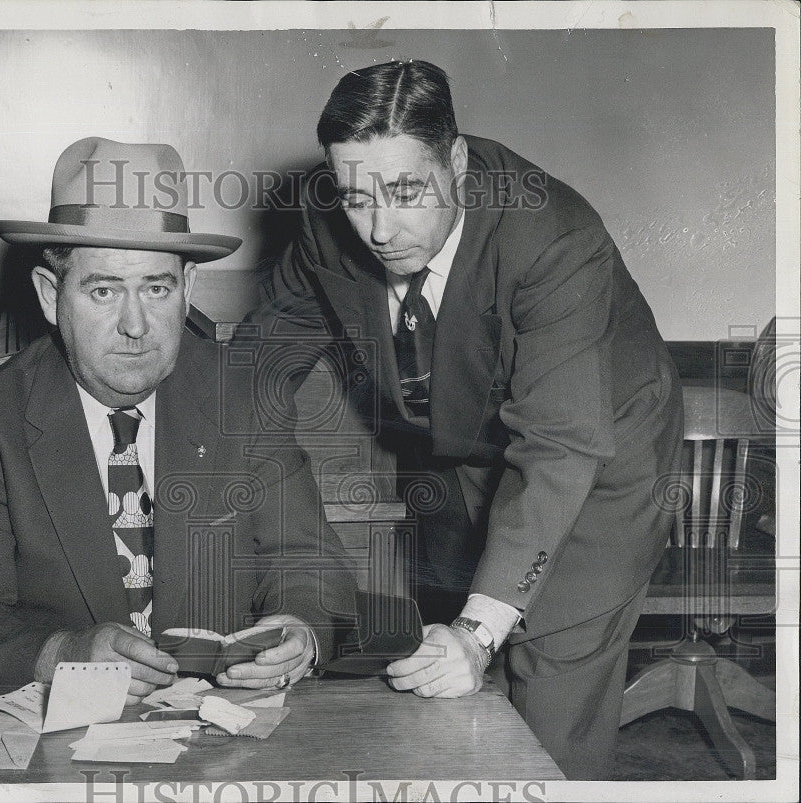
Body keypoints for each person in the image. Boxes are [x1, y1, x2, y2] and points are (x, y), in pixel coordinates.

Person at [242, 60, 683, 778]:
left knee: (548, 696)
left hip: (598, 454)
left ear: (456, 160)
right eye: (356, 196)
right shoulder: (332, 228)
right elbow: (259, 361)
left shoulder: (553, 236)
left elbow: (560, 445)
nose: (379, 229)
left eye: (406, 191)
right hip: (467, 444)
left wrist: (479, 631)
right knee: (438, 689)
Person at [0, 137, 357, 702]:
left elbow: (308, 560)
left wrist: (300, 632)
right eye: (103, 291)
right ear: (51, 296)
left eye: (157, 288)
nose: (136, 325)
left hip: (222, 737)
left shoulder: (245, 398)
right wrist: (61, 655)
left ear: (187, 289)